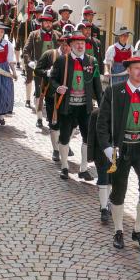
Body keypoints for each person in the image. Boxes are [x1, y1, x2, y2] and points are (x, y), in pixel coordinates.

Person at [96, 43, 140, 249]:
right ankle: (118, 230)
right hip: (120, 150)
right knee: (119, 191)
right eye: (136, 68)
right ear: (129, 70)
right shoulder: (115, 92)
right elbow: (102, 123)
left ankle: (138, 230)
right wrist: (108, 149)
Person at [49, 28, 103, 181]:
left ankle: (84, 168)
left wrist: (102, 107)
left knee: (87, 137)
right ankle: (65, 166)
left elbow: (98, 87)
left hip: (86, 108)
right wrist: (57, 87)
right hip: (68, 107)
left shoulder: (92, 62)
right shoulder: (62, 60)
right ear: (71, 44)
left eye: (83, 43)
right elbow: (52, 79)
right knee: (65, 136)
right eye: (77, 43)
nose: (80, 46)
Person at [34, 29, 71, 163]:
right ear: (60, 43)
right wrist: (47, 73)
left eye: (69, 44)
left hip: (69, 96)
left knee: (68, 124)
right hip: (51, 95)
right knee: (54, 123)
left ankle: (64, 143)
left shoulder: (75, 58)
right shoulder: (49, 54)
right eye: (64, 43)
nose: (66, 46)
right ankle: (56, 149)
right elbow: (37, 70)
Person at [24, 7, 61, 116]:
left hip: (55, 69)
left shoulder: (58, 35)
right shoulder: (34, 34)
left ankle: (53, 116)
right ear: (42, 23)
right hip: (39, 68)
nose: (48, 24)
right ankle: (39, 117)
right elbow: (26, 50)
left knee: (54, 92)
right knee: (39, 93)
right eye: (45, 22)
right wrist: (30, 62)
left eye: (50, 22)